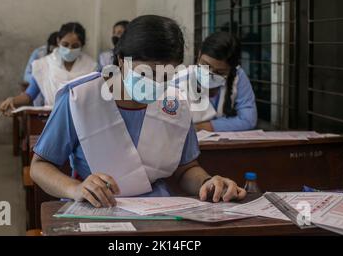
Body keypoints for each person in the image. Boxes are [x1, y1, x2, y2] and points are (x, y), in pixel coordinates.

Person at [30, 15, 247, 208]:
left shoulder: (175, 103)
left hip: (157, 209)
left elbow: (186, 168)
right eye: (147, 73)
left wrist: (207, 182)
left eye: (165, 76)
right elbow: (40, 166)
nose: (156, 83)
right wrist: (74, 189)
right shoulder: (80, 98)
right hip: (95, 206)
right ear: (123, 60)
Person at [0, 22, 97, 113]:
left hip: (82, 119)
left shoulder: (91, 67)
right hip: (52, 117)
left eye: (75, 46)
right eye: (65, 44)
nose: (69, 49)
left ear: (82, 46)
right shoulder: (44, 65)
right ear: (58, 41)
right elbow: (29, 95)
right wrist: (12, 100)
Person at [189, 32, 257, 132]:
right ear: (199, 54)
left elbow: (248, 120)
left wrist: (202, 127)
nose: (209, 74)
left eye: (219, 72)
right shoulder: (182, 79)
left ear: (230, 70)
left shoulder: (238, 76)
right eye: (205, 65)